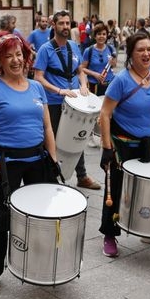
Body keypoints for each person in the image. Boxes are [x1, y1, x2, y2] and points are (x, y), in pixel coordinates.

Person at [0, 33, 59, 293]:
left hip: (38, 159)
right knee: (4, 217)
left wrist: (54, 160)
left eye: (19, 54)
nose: (16, 60)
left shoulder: (36, 87)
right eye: (9, 56)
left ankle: (37, 262)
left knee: (41, 214)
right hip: (9, 162)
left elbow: (47, 126)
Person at [98, 31, 150, 257]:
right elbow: (105, 114)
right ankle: (110, 234)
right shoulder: (121, 80)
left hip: (148, 143)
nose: (147, 54)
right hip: (122, 144)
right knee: (117, 190)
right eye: (141, 50)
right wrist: (107, 148)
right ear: (130, 54)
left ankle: (149, 230)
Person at [33, 10, 101, 190]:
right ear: (53, 25)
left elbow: (79, 70)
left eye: (67, 23)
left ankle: (82, 176)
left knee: (78, 138)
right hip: (54, 102)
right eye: (61, 23)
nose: (65, 26)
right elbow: (38, 76)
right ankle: (51, 176)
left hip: (74, 101)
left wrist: (84, 84)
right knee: (53, 141)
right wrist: (60, 90)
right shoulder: (45, 49)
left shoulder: (73, 45)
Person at [79, 22, 116, 96]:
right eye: (99, 34)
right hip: (94, 86)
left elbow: (114, 65)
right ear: (95, 36)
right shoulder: (89, 51)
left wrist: (112, 63)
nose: (101, 36)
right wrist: (95, 74)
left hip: (110, 84)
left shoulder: (111, 48)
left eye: (104, 34)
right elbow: (82, 69)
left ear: (106, 36)